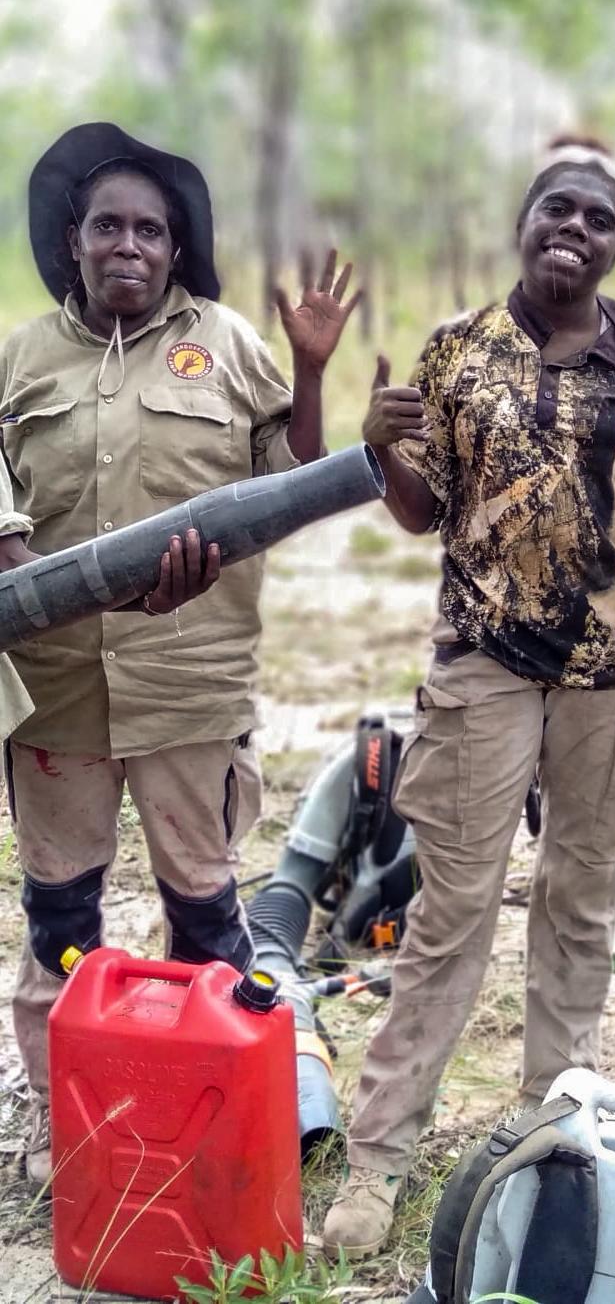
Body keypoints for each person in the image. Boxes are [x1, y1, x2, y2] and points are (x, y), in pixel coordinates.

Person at [323, 136, 615, 1259]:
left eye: (597, 218)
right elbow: (420, 512)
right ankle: (377, 1159)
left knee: (579, 900)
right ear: (522, 219)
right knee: (449, 913)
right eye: (557, 208)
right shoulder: (458, 349)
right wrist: (377, 452)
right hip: (484, 664)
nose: (573, 229)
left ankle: (552, 1143)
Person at [1, 122, 358, 1186]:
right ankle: (70, 1133)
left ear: (174, 247)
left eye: (148, 230)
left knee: (206, 910)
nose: (127, 245)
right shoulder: (22, 355)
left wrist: (308, 364)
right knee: (59, 918)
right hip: (54, 687)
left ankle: (224, 1115)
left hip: (189, 686)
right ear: (73, 241)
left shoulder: (233, 344)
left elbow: (290, 480)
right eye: (106, 224)